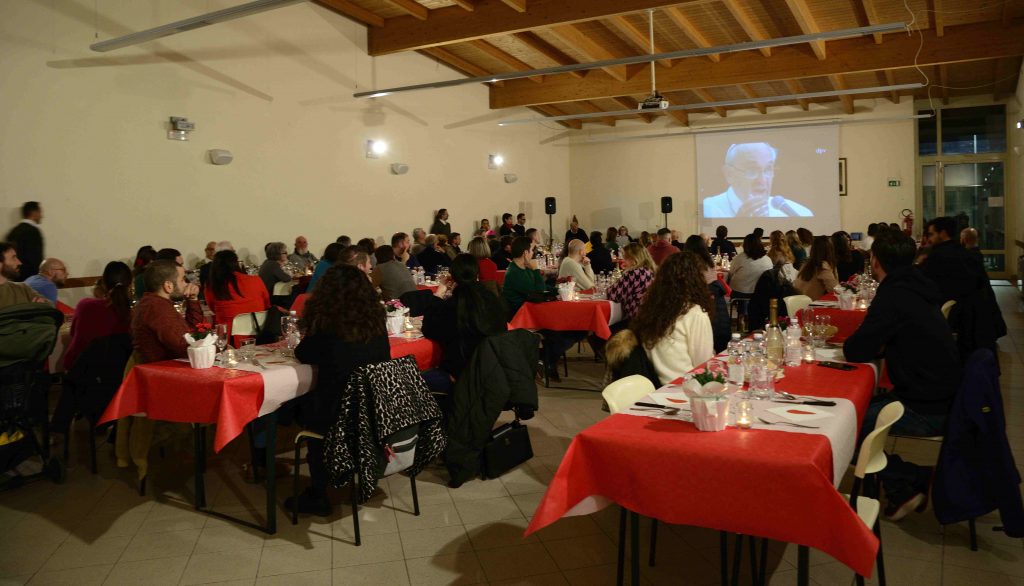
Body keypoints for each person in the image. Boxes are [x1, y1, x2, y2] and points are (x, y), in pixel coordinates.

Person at [844, 230, 961, 520]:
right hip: (944, 393)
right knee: (858, 413)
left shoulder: (893, 295)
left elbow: (856, 350)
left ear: (875, 261)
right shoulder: (918, 286)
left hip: (927, 406)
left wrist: (878, 342)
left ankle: (907, 480)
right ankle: (905, 481)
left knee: (846, 427)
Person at [290, 264, 391, 516]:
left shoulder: (329, 325)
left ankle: (318, 492)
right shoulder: (376, 321)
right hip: (374, 412)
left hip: (338, 415)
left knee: (297, 404)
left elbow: (303, 353)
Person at [50, 261, 134, 440]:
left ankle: (58, 431)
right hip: (116, 387)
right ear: (130, 285)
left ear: (103, 283)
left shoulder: (85, 306)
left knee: (76, 372)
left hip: (81, 382)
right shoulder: (132, 313)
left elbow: (73, 335)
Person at [502, 237, 584, 382]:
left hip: (537, 313)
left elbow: (543, 288)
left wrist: (560, 289)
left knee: (576, 329)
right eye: (531, 250)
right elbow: (539, 291)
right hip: (524, 319)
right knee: (563, 333)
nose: (533, 253)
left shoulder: (522, 269)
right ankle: (546, 360)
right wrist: (536, 270)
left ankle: (546, 359)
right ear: (525, 253)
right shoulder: (515, 272)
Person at [922, 217, 1005, 358]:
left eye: (931, 234)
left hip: (959, 317)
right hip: (978, 321)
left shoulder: (937, 256)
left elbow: (928, 287)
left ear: (943, 233)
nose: (928, 239)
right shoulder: (967, 253)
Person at [421, 254, 507, 390]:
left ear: (453, 277)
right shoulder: (491, 299)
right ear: (477, 274)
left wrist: (439, 293)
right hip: (495, 369)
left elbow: (428, 329)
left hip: (461, 375)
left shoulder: (453, 306)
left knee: (415, 380)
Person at [630, 252, 715, 385]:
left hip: (654, 385)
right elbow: (703, 365)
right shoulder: (694, 313)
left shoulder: (652, 308)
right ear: (696, 280)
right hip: (685, 387)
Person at [703, 143, 812, 218]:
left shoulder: (800, 213)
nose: (762, 180)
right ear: (729, 174)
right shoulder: (708, 209)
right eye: (752, 170)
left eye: (768, 169)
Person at [132, 260, 203, 364]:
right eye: (182, 280)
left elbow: (191, 331)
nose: (186, 284)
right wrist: (215, 349)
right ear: (168, 286)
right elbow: (183, 346)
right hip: (162, 370)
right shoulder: (157, 307)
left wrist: (192, 299)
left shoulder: (155, 303)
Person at [205, 250, 270, 335]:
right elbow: (267, 304)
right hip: (260, 331)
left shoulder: (213, 286)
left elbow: (212, 308)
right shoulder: (256, 280)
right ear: (236, 263)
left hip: (229, 335)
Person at [606, 242, 655, 329]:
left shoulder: (634, 273)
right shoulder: (651, 271)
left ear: (633, 259)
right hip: (650, 317)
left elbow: (613, 295)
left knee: (604, 332)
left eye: (625, 258)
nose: (623, 261)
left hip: (636, 320)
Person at [5, 201, 44, 281]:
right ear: (34, 212)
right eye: (40, 212)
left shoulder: (13, 232)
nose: (42, 216)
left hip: (14, 279)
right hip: (31, 280)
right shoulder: (33, 232)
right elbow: (35, 259)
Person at [0, 242, 46, 308]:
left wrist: (41, 305)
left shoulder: (23, 289)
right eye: (13, 258)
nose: (19, 263)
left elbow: (50, 306)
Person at [793, 236, 839, 301]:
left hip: (797, 302)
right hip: (811, 304)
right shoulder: (822, 266)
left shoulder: (806, 264)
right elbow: (834, 289)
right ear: (830, 250)